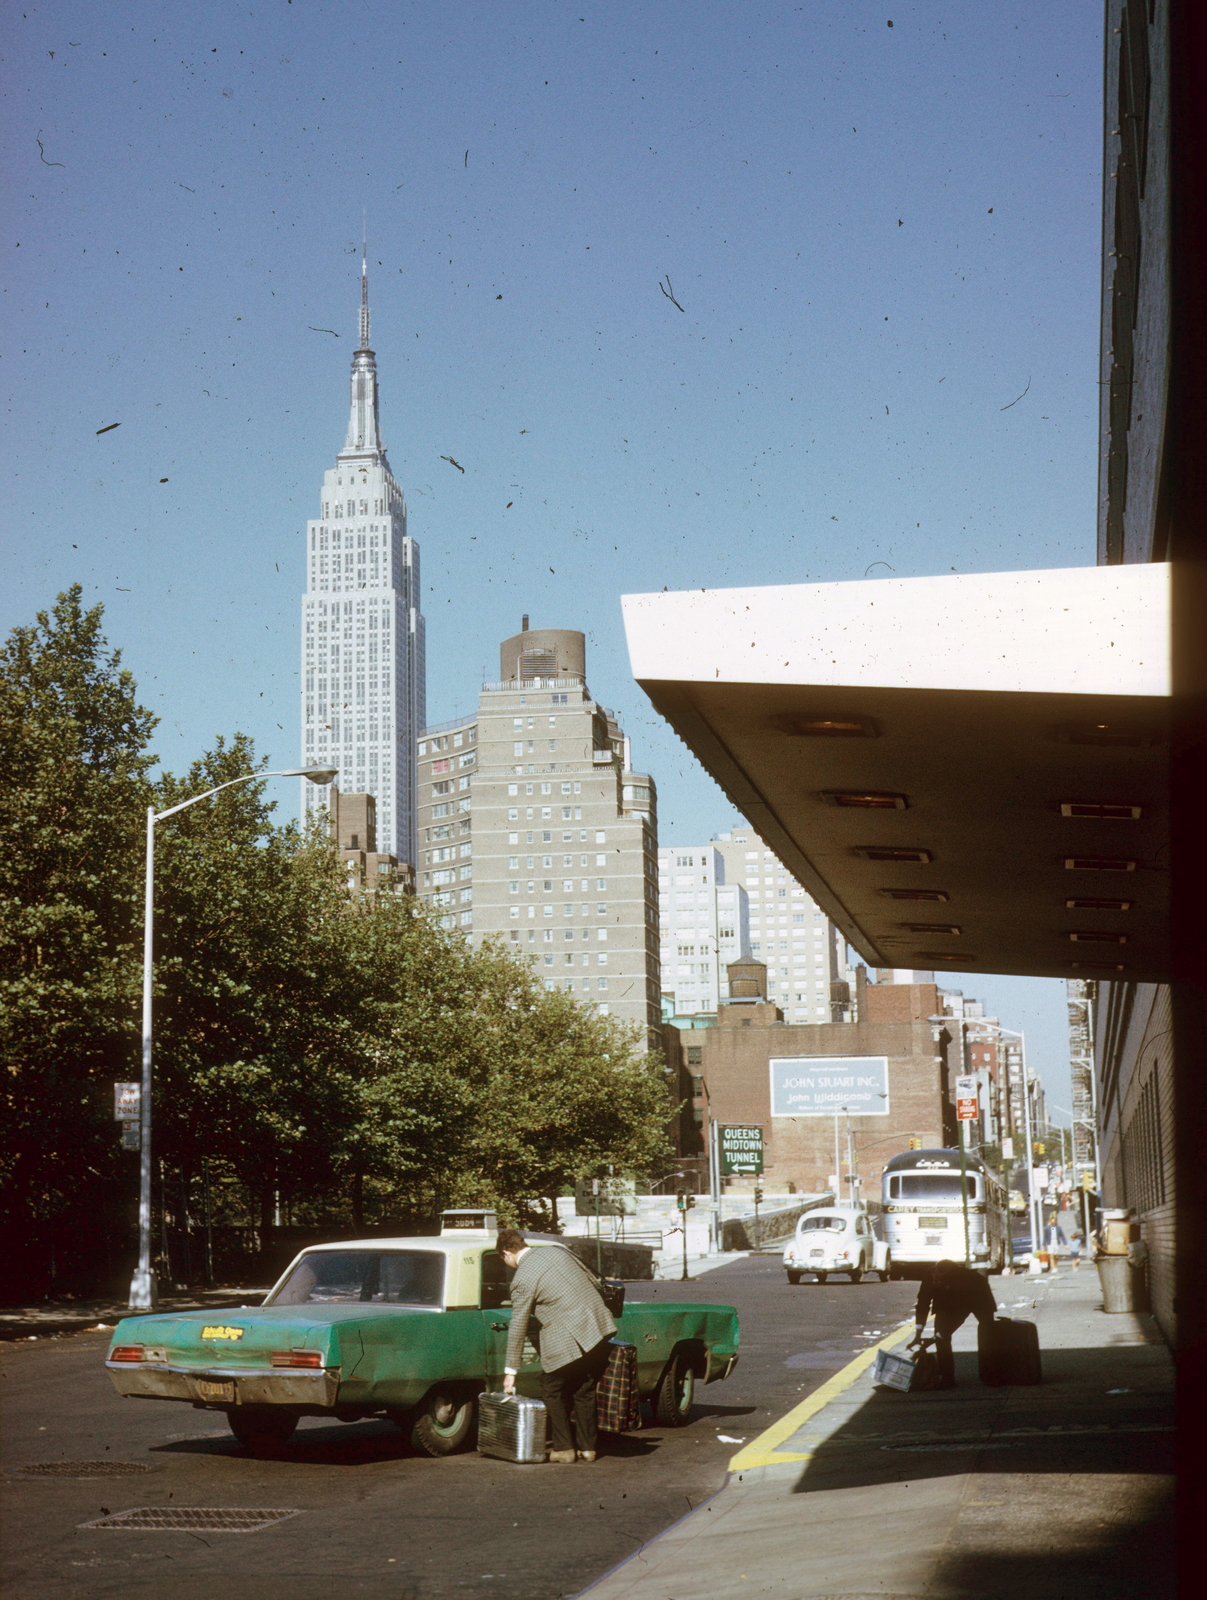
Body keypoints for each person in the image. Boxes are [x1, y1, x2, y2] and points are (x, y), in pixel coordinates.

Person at [497, 1228, 616, 1464]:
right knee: (584, 1387)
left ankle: (563, 1448)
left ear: (506, 1253)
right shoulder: (558, 1252)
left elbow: (518, 1325)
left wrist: (511, 1371)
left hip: (567, 1335)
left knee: (550, 1387)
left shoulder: (521, 1279)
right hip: (598, 1327)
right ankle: (588, 1448)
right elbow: (591, 1280)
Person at [910, 1258, 998, 1388]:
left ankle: (991, 1374)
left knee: (987, 1333)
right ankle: (947, 1377)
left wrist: (938, 1336)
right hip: (946, 1304)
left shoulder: (970, 1279)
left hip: (976, 1299)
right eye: (936, 1277)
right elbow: (923, 1303)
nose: (937, 1279)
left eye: (940, 1278)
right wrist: (918, 1334)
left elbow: (959, 1311)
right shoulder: (930, 1276)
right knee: (942, 1340)